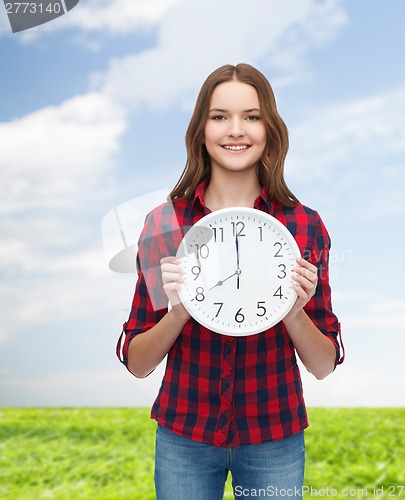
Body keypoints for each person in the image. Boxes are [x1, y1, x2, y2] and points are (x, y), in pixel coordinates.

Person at [116, 63, 344, 499]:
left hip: (274, 434)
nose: (235, 130)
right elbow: (138, 361)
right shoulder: (165, 224)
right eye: (220, 116)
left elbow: (322, 364)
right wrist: (179, 310)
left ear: (270, 129)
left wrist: (293, 311)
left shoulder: (303, 225)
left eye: (251, 116)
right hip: (185, 434)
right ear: (201, 128)